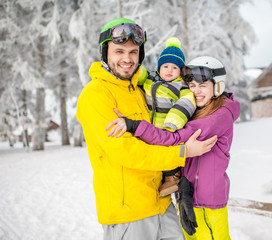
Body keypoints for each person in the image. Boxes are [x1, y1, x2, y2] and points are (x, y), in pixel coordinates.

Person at [76, 18, 217, 240]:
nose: (127, 59)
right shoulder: (96, 94)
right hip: (129, 214)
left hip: (161, 203)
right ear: (105, 53)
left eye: (133, 52)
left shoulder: (140, 90)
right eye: (119, 51)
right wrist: (182, 152)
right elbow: (127, 151)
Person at [107, 56, 241, 239]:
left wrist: (134, 125)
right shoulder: (199, 109)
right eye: (191, 86)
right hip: (188, 196)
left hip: (208, 201)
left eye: (202, 86)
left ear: (218, 87)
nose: (196, 92)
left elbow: (172, 138)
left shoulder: (218, 117)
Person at [137, 37, 196, 197]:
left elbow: (186, 103)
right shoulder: (151, 79)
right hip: (150, 128)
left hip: (167, 129)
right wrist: (135, 69)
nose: (169, 70)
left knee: (167, 154)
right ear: (159, 67)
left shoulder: (180, 87)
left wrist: (171, 124)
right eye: (165, 66)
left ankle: (172, 179)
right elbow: (139, 75)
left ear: (181, 71)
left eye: (174, 68)